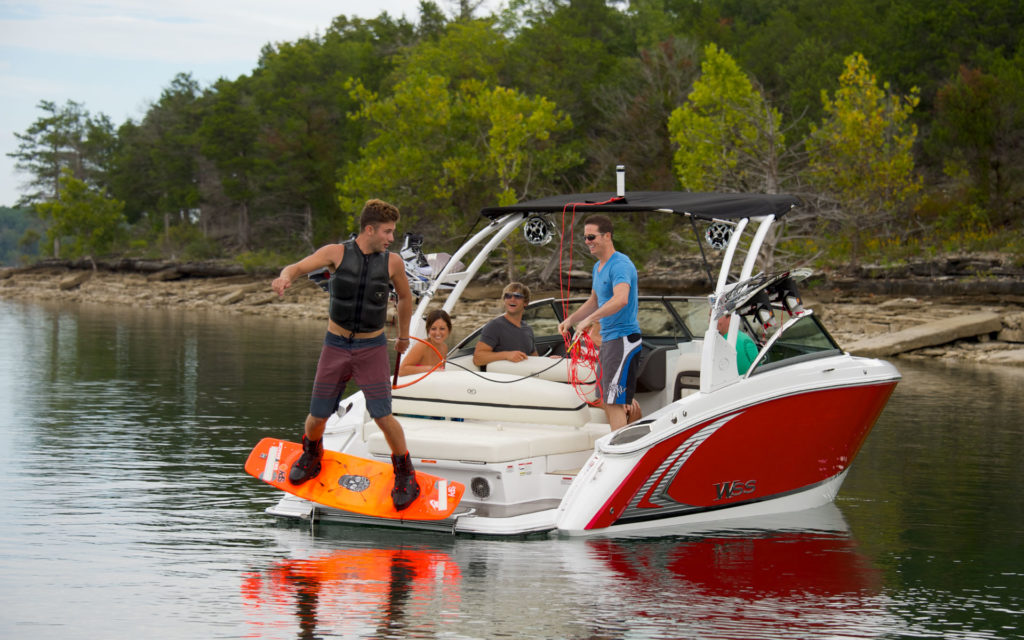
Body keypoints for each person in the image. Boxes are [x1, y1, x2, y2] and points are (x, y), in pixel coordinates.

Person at [271, 199, 420, 511]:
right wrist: (285, 277)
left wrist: (404, 336)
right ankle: (312, 454)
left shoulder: (392, 262)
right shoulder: (335, 253)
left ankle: (405, 473)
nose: (391, 238)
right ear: (369, 229)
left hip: (372, 347)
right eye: (387, 232)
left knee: (382, 415)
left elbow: (405, 297)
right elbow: (297, 267)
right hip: (336, 345)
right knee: (317, 417)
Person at [557, 215, 641, 431]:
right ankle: (624, 439)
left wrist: (590, 320)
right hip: (609, 340)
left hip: (623, 339)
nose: (587, 241)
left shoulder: (621, 264)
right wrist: (571, 319)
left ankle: (620, 448)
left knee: (613, 401)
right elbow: (594, 300)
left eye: (591, 236)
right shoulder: (598, 267)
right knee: (605, 398)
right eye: (585, 237)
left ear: (607, 236)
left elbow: (621, 299)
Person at [472, 282, 538, 368]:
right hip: (503, 379)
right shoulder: (494, 326)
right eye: (508, 296)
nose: (512, 299)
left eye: (517, 296)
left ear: (525, 302)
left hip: (523, 378)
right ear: (504, 300)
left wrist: (548, 361)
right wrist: (506, 355)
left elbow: (535, 358)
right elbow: (478, 358)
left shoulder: (528, 328)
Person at [398, 309, 451, 376]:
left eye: (442, 328)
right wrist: (431, 369)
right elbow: (401, 370)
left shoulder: (444, 348)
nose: (437, 333)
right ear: (428, 330)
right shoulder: (422, 346)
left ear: (448, 330)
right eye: (433, 329)